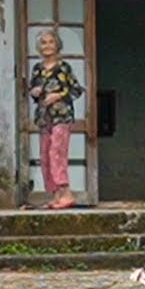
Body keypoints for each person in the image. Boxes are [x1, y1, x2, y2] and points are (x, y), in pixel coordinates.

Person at [27, 29, 84, 209]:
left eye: (51, 42)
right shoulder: (37, 69)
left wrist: (58, 95)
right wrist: (34, 92)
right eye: (43, 42)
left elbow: (76, 90)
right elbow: (34, 92)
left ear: (57, 45)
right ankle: (55, 195)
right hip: (44, 117)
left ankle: (66, 192)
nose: (47, 46)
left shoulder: (64, 67)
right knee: (45, 155)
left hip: (62, 115)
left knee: (56, 152)